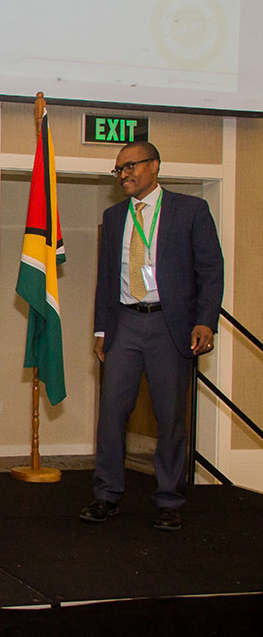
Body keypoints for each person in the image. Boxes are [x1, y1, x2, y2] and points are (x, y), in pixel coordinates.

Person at [82, 141, 223, 531]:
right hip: (125, 324)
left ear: (155, 165)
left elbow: (211, 269)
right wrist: (101, 329)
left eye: (130, 166)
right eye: (119, 169)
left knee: (170, 416)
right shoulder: (114, 217)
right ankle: (106, 494)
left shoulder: (190, 210)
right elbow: (106, 279)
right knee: (112, 413)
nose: (123, 174)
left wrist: (206, 321)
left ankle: (169, 500)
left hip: (170, 325)